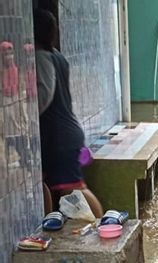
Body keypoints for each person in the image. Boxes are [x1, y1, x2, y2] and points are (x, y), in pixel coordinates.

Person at [34, 9, 103, 217]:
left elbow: (44, 96)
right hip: (63, 133)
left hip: (59, 137)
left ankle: (102, 223)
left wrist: (26, 114)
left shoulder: (41, 57)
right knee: (42, 183)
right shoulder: (58, 57)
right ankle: (45, 228)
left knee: (73, 189)